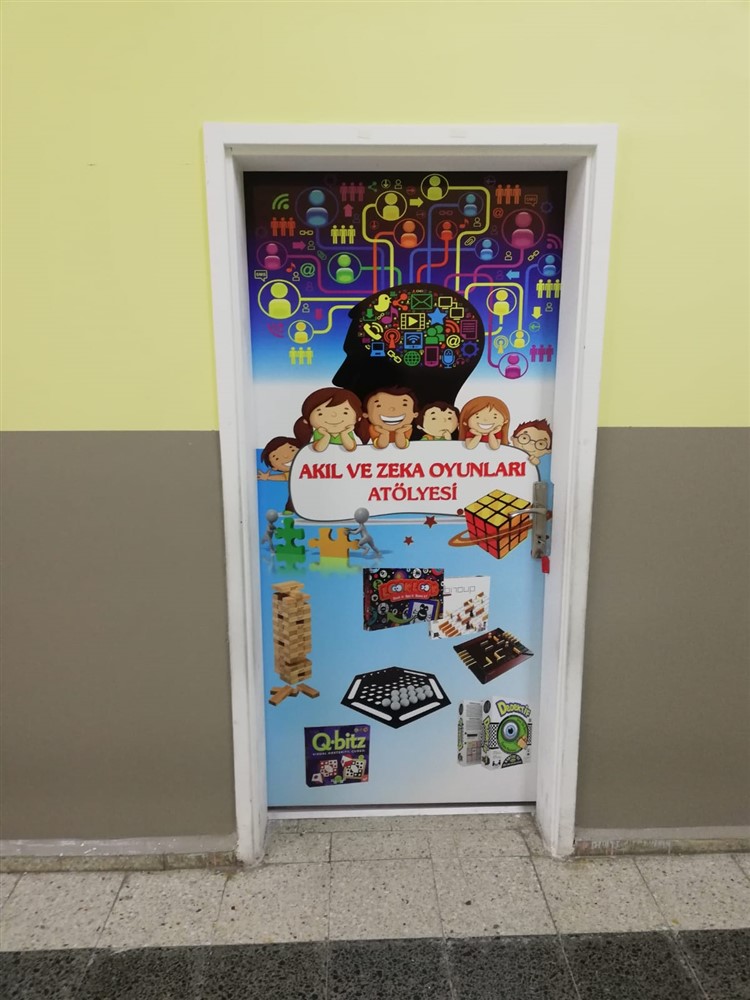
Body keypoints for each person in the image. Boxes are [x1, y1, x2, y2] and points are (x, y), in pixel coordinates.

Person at [293, 387, 369, 453]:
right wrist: (326, 436)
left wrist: (344, 433)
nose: (334, 416)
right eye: (320, 414)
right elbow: (319, 449)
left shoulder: (346, 431)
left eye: (345, 413)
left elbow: (351, 447)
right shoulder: (320, 431)